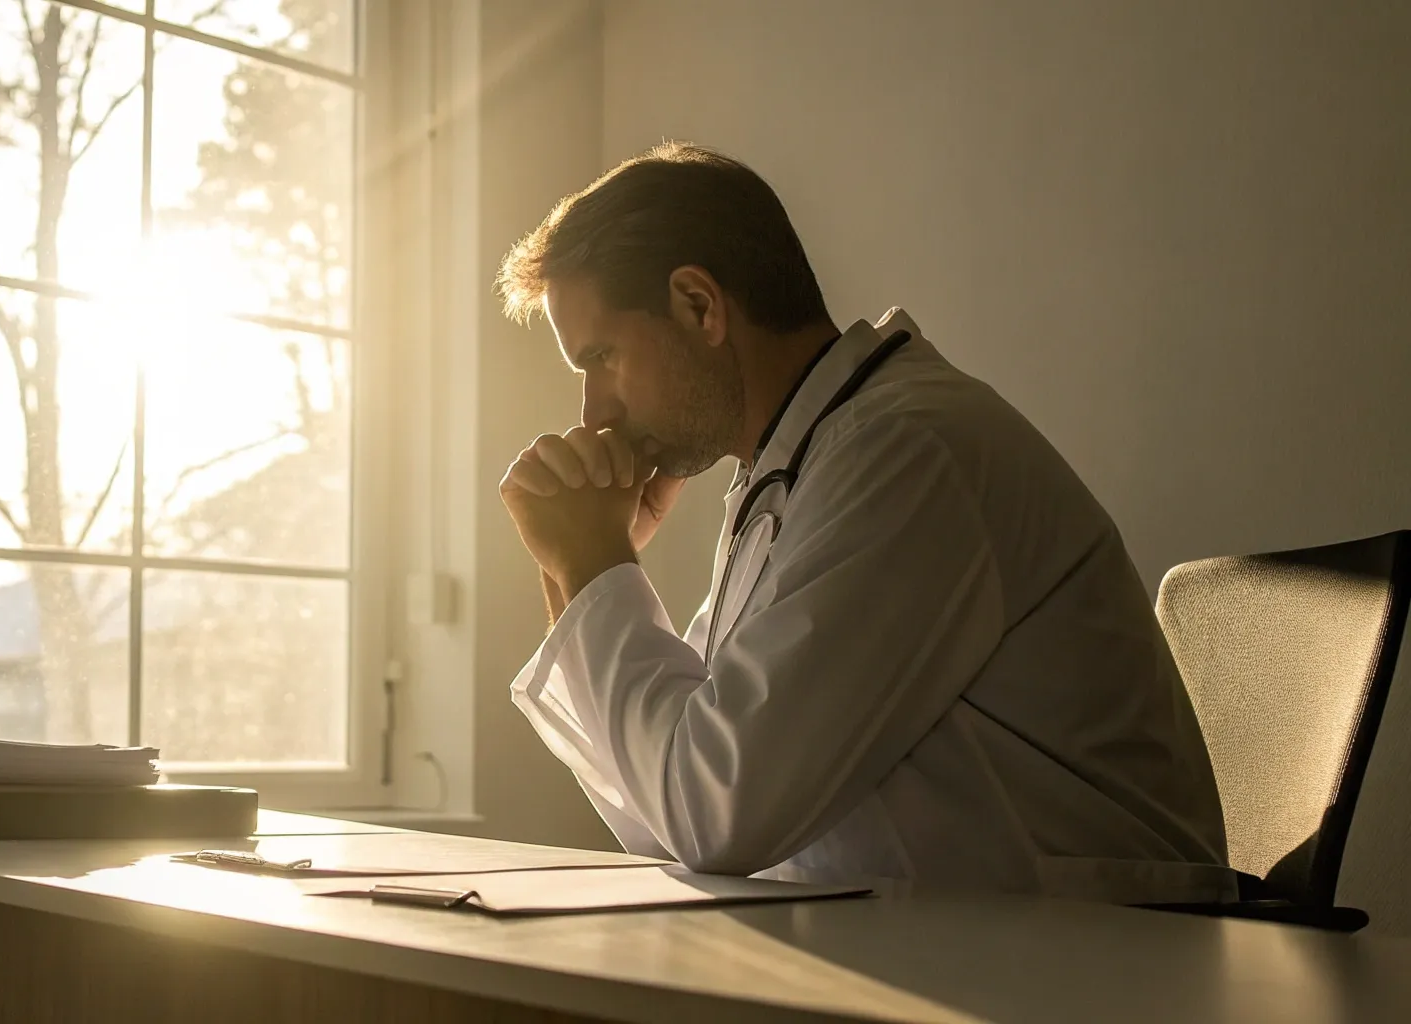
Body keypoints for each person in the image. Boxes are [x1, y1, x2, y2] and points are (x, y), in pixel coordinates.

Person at [495, 142, 1232, 902]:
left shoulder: (905, 453)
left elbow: (715, 813)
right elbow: (663, 814)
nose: (593, 411)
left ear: (700, 306)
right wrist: (577, 569)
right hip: (969, 954)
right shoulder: (794, 471)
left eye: (602, 356)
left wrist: (596, 566)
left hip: (1109, 971)